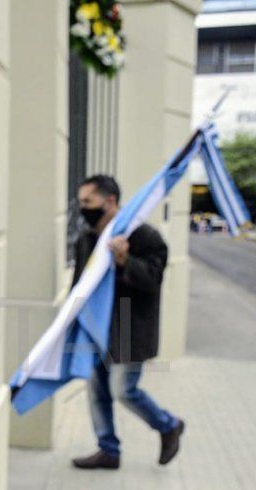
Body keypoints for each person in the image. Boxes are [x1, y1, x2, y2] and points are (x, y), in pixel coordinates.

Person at [70, 175, 184, 470]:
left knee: (123, 390)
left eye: (88, 202)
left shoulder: (144, 236)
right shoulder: (87, 239)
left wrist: (125, 262)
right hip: (96, 328)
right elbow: (79, 285)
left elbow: (153, 280)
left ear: (110, 201)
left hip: (129, 330)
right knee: (97, 391)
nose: (83, 208)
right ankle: (108, 449)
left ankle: (168, 425)